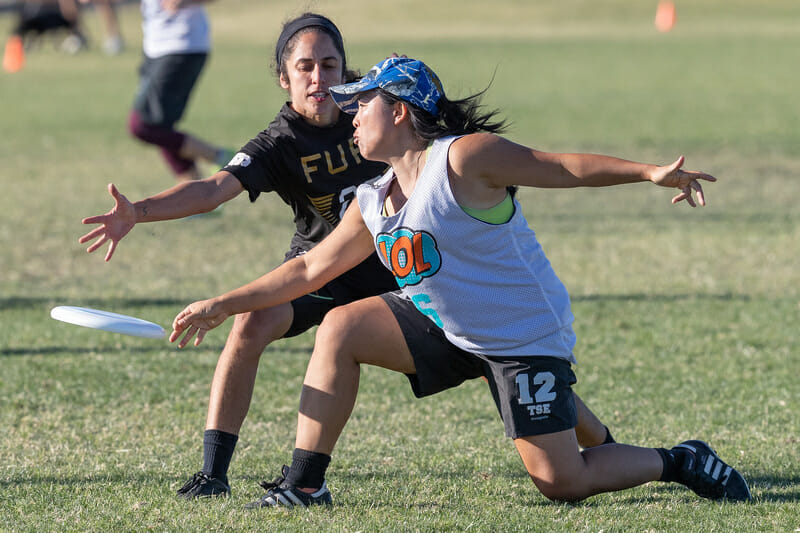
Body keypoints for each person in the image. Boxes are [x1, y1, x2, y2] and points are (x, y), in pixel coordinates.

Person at [168, 57, 752, 508]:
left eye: (361, 102)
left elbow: (561, 167)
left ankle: (678, 460)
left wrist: (648, 171)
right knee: (340, 326)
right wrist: (223, 303)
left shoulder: (463, 160)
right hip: (447, 325)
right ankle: (305, 485)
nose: (350, 114)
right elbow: (307, 271)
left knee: (561, 481)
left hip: (520, 338)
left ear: (399, 111)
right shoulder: (373, 200)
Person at [80, 15, 615, 501]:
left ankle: (604, 445)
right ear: (284, 79)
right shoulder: (277, 142)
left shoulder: (373, 109)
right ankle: (216, 472)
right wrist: (139, 212)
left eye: (329, 64)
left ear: (345, 69)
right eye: (304, 67)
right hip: (327, 265)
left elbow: (452, 148)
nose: (318, 77)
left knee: (484, 355)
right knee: (252, 320)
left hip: (404, 264)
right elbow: (213, 189)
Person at [128, 0, 230, 182]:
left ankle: (221, 157)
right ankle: (198, 201)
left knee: (144, 126)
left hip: (181, 46)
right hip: (155, 48)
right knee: (161, 127)